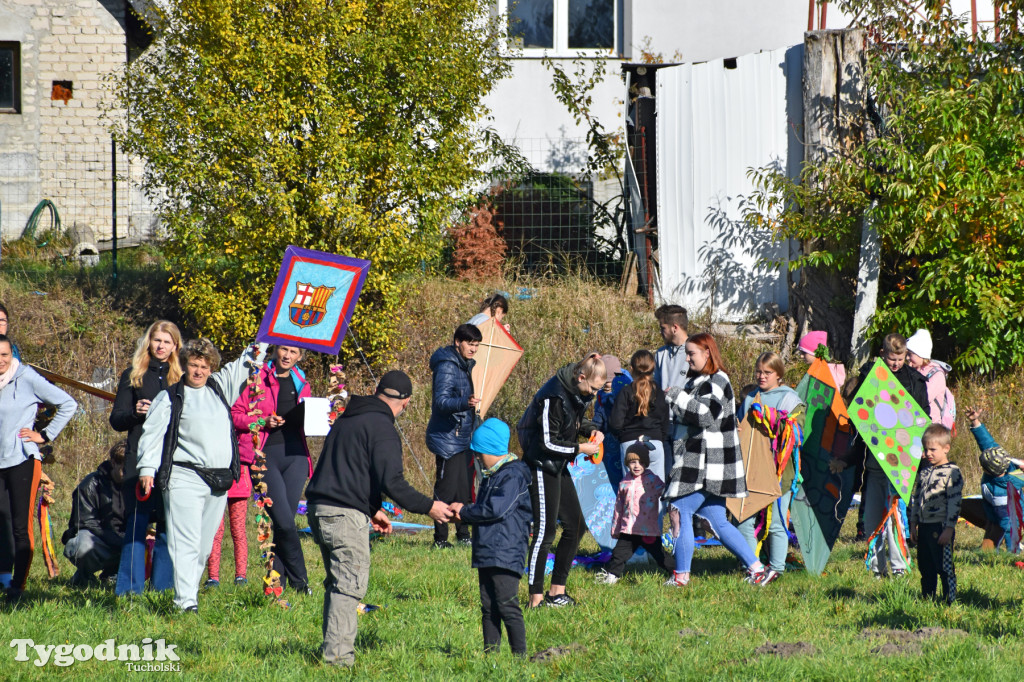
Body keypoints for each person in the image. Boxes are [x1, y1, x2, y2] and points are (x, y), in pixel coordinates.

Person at [306, 370, 453, 668]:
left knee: (339, 585)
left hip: (320, 509)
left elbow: (348, 469)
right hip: (343, 515)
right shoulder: (381, 426)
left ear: (377, 391)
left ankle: (333, 651)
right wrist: (430, 507)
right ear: (407, 403)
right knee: (349, 586)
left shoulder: (349, 418)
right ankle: (337, 661)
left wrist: (372, 508)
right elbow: (393, 482)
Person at [136, 339, 266, 612]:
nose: (198, 371)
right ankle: (185, 603)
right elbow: (152, 433)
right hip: (184, 476)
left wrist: (268, 335)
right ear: (185, 365)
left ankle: (188, 593)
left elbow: (246, 361)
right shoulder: (170, 396)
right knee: (186, 540)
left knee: (204, 546)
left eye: (204, 366)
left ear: (211, 368)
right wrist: (147, 469)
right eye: (193, 365)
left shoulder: (220, 388)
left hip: (219, 480)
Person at [662, 333, 767, 588]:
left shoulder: (717, 380)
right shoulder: (697, 381)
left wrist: (676, 395)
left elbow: (705, 415)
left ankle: (682, 577)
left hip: (708, 464)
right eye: (686, 354)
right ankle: (757, 569)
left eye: (691, 354)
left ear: (707, 353)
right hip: (700, 461)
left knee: (679, 510)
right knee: (716, 520)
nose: (687, 359)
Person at [519, 355, 605, 608]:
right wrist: (580, 448)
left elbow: (572, 423)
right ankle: (535, 599)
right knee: (545, 532)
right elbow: (547, 442)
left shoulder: (578, 392)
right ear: (581, 377)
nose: (593, 394)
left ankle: (557, 592)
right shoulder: (553, 397)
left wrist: (590, 429)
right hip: (541, 464)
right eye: (593, 388)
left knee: (577, 525)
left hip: (559, 464)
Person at [225, 344, 312, 592]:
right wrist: (262, 421)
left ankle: (275, 584)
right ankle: (301, 583)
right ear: (275, 350)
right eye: (284, 349)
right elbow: (235, 414)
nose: (287, 355)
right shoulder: (258, 378)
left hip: (296, 457)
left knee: (286, 522)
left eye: (294, 352)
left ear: (300, 356)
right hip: (264, 456)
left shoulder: (302, 382)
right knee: (284, 523)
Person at [0, 334, 78, 600]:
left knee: (21, 526)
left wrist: (45, 435)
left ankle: (17, 589)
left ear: (13, 356)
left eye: (5, 355)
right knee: (2, 522)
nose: (0, 361)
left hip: (22, 460)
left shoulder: (27, 377)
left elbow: (68, 403)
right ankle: (4, 577)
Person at [847, 333, 928, 578]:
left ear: (906, 356)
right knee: (872, 518)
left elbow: (922, 418)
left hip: (900, 463)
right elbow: (860, 413)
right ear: (883, 354)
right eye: (891, 359)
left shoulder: (915, 381)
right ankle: (876, 569)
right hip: (874, 461)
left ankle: (899, 566)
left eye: (900, 359)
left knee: (894, 518)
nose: (895, 364)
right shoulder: (871, 375)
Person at [109, 320, 181, 596]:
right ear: (148, 342)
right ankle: (128, 590)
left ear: (175, 346)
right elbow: (116, 419)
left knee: (168, 523)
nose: (161, 346)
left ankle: (163, 588)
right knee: (137, 522)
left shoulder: (182, 378)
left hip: (172, 459)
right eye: (157, 340)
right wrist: (135, 413)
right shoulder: (133, 375)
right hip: (139, 458)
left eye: (167, 341)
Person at [449, 418, 531, 657]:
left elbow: (496, 509)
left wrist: (464, 511)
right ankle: (491, 658)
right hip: (486, 550)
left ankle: (519, 659)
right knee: (488, 607)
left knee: (507, 604)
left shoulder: (513, 475)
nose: (476, 458)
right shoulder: (490, 475)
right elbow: (483, 509)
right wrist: (463, 513)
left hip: (506, 552)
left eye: (479, 453)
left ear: (491, 450)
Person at [735, 352, 806, 586]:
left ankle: (776, 568)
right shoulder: (751, 398)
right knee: (744, 518)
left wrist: (770, 416)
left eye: (767, 372)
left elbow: (798, 433)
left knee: (776, 521)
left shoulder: (790, 399)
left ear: (779, 375)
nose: (761, 376)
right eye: (758, 371)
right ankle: (752, 566)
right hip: (752, 468)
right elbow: (743, 427)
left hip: (780, 472)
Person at [426, 323, 481, 548]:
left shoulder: (465, 364)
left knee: (464, 488)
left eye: (477, 345)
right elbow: (441, 402)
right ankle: (440, 539)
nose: (473, 349)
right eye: (470, 343)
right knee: (446, 490)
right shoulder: (447, 365)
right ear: (458, 342)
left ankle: (464, 534)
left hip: (463, 436)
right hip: (447, 438)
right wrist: (464, 403)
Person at [595, 440, 674, 584]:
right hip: (628, 529)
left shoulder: (652, 480)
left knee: (660, 555)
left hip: (647, 530)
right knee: (619, 554)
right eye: (632, 462)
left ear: (646, 463)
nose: (637, 466)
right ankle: (612, 576)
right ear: (627, 463)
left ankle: (675, 573)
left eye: (640, 462)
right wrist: (616, 528)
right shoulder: (624, 483)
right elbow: (619, 507)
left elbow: (666, 492)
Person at [909, 424, 963, 605]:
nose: (928, 453)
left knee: (944, 566)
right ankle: (928, 599)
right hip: (923, 526)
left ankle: (950, 601)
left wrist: (949, 528)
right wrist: (913, 523)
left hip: (940, 526)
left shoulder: (952, 472)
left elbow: (955, 502)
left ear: (946, 448)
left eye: (933, 449)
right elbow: (917, 499)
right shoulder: (924, 472)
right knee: (926, 566)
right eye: (926, 449)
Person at [62, 441, 128, 587]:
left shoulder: (137, 485)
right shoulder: (91, 483)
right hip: (101, 540)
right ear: (114, 463)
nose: (128, 473)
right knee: (81, 545)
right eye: (125, 469)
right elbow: (85, 522)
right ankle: (84, 575)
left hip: (127, 541)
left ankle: (114, 574)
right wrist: (116, 540)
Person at [966, 407, 1024, 551]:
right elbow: (987, 443)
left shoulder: (1001, 492)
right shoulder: (1005, 464)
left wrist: (1014, 550)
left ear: (986, 470)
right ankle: (992, 548)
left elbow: (1009, 524)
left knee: (1006, 527)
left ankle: (1013, 551)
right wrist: (975, 422)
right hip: (995, 512)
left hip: (1010, 515)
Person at [654, 304, 689, 538]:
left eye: (663, 327)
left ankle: (687, 528)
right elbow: (656, 389)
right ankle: (668, 529)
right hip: (664, 426)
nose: (660, 332)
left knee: (685, 478)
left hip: (687, 425)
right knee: (666, 477)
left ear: (675, 327)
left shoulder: (695, 351)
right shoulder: (660, 354)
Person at [610, 350, 670, 483]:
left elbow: (615, 423)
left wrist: (623, 436)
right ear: (653, 369)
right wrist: (659, 438)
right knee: (655, 492)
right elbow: (665, 423)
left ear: (631, 369)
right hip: (654, 444)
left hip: (630, 444)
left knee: (631, 491)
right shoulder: (659, 392)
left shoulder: (625, 392)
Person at [0, 304, 20, 590]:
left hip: (9, 448)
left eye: (2, 320)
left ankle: (6, 572)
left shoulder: (13, 358)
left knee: (5, 513)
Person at [593, 354, 632, 491]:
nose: (605, 387)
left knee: (627, 478)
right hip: (607, 443)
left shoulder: (627, 388)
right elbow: (598, 415)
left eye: (608, 383)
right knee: (610, 480)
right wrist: (594, 429)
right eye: (603, 383)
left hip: (625, 441)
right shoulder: (600, 394)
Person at [905, 328, 955, 428]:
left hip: (931, 430)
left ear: (921, 354)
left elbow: (922, 399)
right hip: (913, 425)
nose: (907, 358)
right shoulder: (914, 369)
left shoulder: (936, 375)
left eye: (910, 354)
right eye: (906, 354)